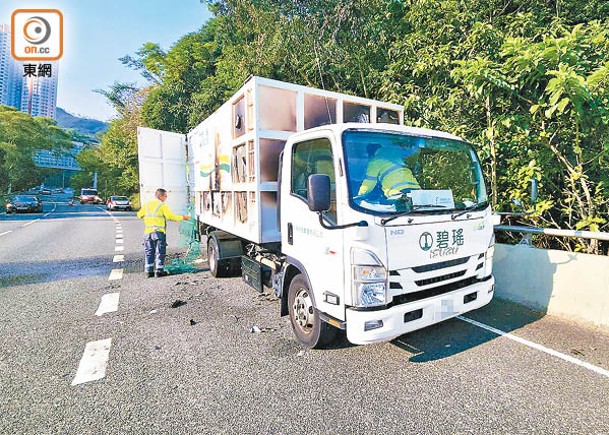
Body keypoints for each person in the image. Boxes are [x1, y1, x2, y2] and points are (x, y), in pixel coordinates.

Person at [137, 188, 190, 278]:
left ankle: (148, 272)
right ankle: (159, 271)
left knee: (149, 252)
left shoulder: (146, 205)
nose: (166, 198)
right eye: (165, 196)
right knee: (160, 252)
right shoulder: (162, 206)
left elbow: (139, 215)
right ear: (160, 196)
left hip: (148, 232)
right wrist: (183, 217)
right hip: (158, 232)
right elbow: (171, 217)